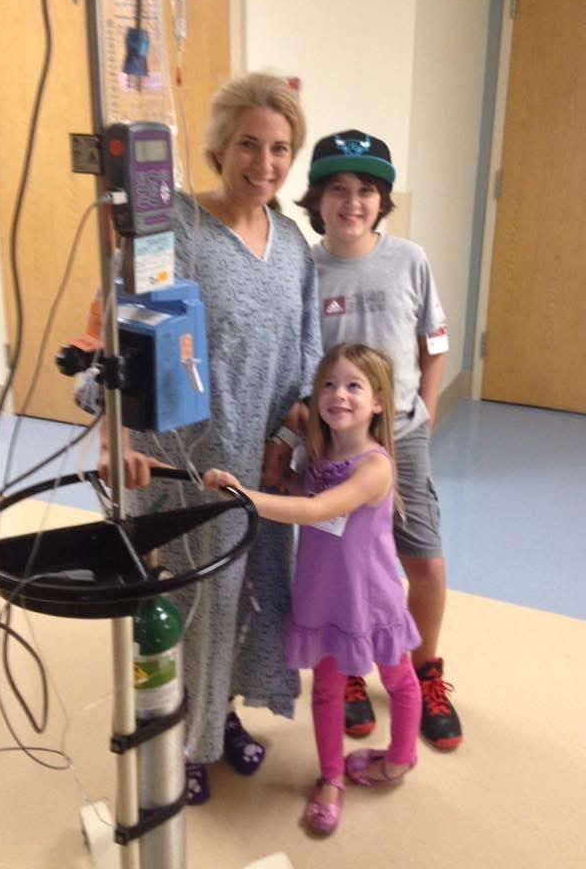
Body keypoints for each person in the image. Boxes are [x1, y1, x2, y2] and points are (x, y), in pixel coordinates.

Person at [98, 72, 322, 803]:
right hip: (185, 460)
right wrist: (117, 437)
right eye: (249, 144)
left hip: (257, 463)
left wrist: (290, 439)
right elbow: (119, 337)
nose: (265, 162)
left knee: (250, 594)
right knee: (194, 601)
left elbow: (305, 357)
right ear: (220, 146)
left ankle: (218, 713)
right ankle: (180, 738)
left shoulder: (292, 245)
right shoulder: (175, 231)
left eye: (281, 148)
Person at [204, 343, 422, 835]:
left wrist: (244, 496)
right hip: (323, 599)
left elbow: (317, 510)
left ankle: (400, 759)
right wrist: (275, 472)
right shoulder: (320, 462)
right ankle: (331, 778)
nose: (338, 395)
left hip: (372, 600)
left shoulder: (375, 467)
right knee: (325, 691)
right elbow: (302, 491)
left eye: (353, 386)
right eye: (328, 384)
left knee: (398, 679)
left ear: (378, 403)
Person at [295, 130, 462, 751]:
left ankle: (424, 672)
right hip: (333, 442)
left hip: (403, 435)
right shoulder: (303, 267)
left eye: (366, 189)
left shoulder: (408, 259)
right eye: (338, 188)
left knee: (422, 559)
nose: (352, 202)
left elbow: (434, 341)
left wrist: (428, 408)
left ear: (382, 199)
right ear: (318, 199)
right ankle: (352, 668)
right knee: (343, 565)